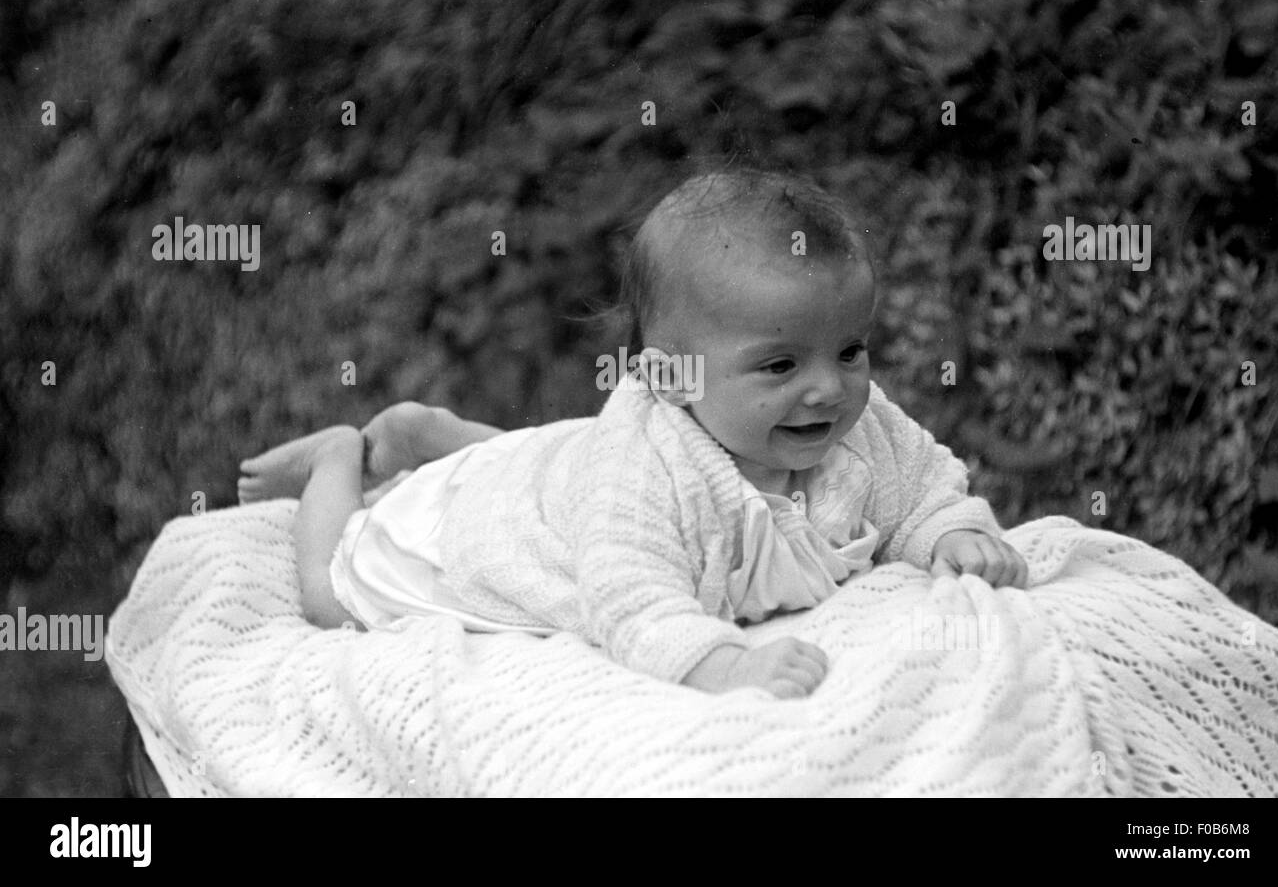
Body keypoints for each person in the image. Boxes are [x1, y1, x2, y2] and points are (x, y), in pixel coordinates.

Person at [237, 169, 1028, 700]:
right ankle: (337, 459)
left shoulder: (856, 424)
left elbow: (922, 481)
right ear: (671, 377)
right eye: (781, 364)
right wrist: (725, 665)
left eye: (850, 350)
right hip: (495, 527)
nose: (830, 387)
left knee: (551, 457)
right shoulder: (642, 478)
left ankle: (436, 433)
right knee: (329, 595)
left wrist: (952, 532)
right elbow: (631, 601)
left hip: (558, 469)